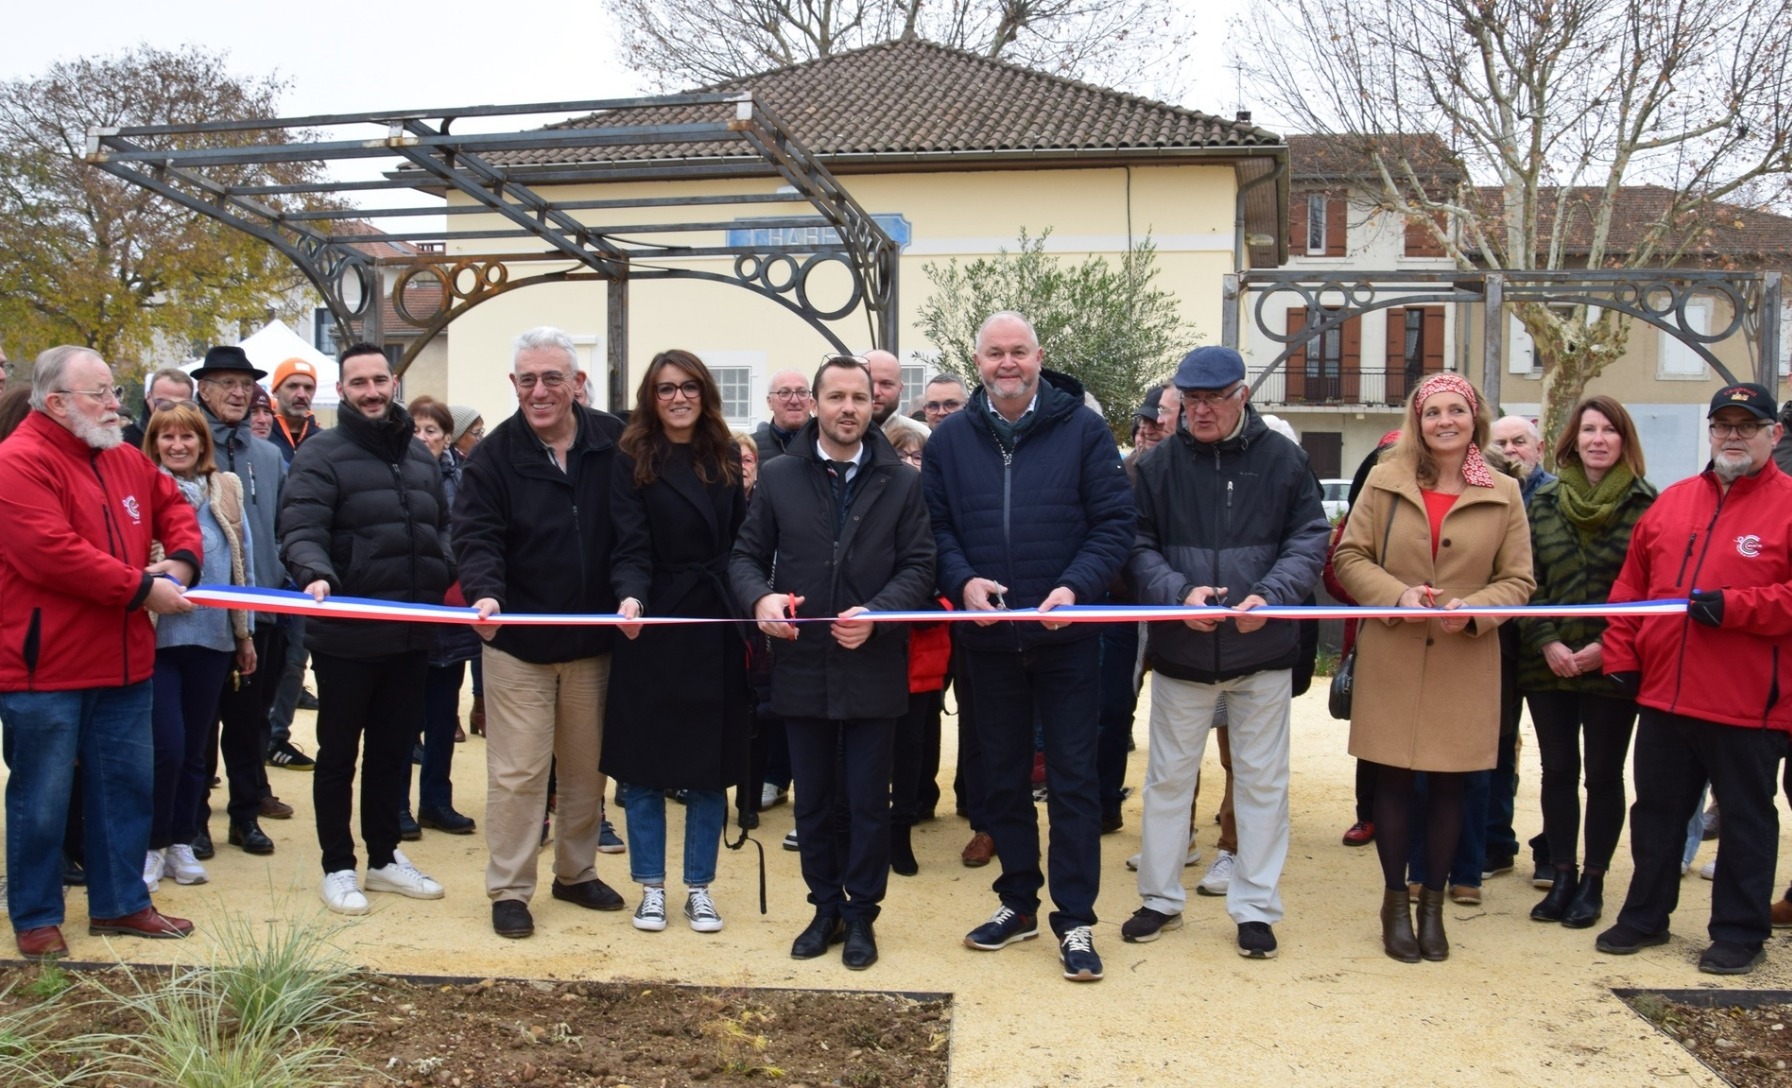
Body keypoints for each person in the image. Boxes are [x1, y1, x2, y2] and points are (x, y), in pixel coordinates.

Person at [922, 310, 1134, 983]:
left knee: (1072, 782)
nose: (1007, 364)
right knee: (1001, 778)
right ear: (977, 360)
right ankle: (1017, 903)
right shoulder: (949, 440)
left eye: (1018, 352)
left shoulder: (1084, 430)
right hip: (988, 640)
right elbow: (936, 529)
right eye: (994, 354)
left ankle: (1075, 921)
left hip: (1067, 638)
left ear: (1039, 357)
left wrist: (1075, 587)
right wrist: (962, 581)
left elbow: (1113, 524)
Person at [1121, 346, 1328, 958]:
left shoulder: (1285, 459)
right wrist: (1178, 594)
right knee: (1168, 782)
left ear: (1242, 395)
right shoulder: (1156, 468)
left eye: (1212, 398)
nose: (1199, 410)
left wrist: (1271, 594)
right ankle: (1159, 898)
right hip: (1184, 652)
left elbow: (1310, 539)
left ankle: (1256, 906)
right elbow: (1136, 544)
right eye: (1190, 399)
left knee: (1263, 783)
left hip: (1260, 652)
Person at [731, 354, 935, 969]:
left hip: (873, 664)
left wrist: (880, 611)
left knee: (869, 800)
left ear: (875, 405)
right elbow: (743, 559)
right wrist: (761, 598)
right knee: (814, 800)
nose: (848, 408)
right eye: (836, 396)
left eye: (859, 397)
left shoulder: (901, 480)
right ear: (815, 404)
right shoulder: (779, 476)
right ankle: (823, 908)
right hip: (803, 664)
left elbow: (921, 566)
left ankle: (863, 915)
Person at [0, 345, 203, 958]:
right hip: (46, 668)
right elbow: (50, 552)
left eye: (117, 391)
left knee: (125, 790)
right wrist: (144, 588)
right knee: (41, 799)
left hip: (125, 662)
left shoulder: (120, 457)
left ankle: (120, 904)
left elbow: (174, 504)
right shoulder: (18, 462)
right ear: (57, 402)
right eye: (102, 393)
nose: (118, 405)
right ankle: (35, 914)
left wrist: (183, 562)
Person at [1333, 373, 1534, 963]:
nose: (1445, 421)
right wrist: (1395, 595)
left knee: (1453, 786)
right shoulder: (1384, 481)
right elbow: (1348, 555)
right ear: (1417, 421)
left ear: (1477, 418)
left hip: (1465, 655)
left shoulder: (1504, 491)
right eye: (1432, 412)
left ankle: (1433, 905)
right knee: (1393, 782)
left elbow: (1519, 580)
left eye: (1457, 410)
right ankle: (1395, 902)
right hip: (1395, 649)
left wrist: (1476, 611)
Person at [1595, 382, 1791, 976]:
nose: (1733, 436)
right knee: (1655, 812)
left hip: (1746, 704)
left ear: (1773, 435)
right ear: (1710, 432)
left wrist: (1736, 607)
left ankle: (1738, 930)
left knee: (1746, 819)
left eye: (1747, 426)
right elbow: (1631, 590)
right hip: (1665, 697)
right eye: (1723, 426)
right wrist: (1621, 657)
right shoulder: (1673, 501)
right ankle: (1645, 916)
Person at [453, 326, 629, 939]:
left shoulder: (615, 441)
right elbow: (475, 537)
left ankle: (576, 873)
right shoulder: (493, 456)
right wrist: (486, 592)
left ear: (577, 383)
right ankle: (510, 887)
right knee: (518, 772)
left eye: (552, 377)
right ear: (514, 385)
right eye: (527, 379)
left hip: (593, 645)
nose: (539, 390)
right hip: (518, 646)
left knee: (586, 769)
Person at [280, 342, 454, 916]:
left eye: (380, 380)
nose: (372, 391)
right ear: (343, 390)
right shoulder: (321, 455)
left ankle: (383, 858)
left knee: (393, 751)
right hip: (347, 634)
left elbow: (446, 529)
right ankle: (338, 865)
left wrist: (449, 571)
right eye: (359, 383)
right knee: (338, 755)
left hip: (410, 632)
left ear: (394, 384)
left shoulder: (422, 459)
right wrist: (316, 572)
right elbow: (301, 527)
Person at [605, 350, 749, 934]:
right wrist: (632, 598)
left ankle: (699, 887)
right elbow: (629, 544)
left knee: (707, 766)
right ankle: (650, 888)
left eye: (689, 386)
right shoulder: (631, 457)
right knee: (643, 767)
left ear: (705, 392)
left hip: (712, 624)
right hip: (652, 624)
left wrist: (754, 601)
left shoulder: (726, 456)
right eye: (666, 389)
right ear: (651, 396)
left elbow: (743, 544)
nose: (678, 397)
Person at [1518, 396, 1656, 929]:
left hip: (1614, 661)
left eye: (1609, 431)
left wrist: (1607, 646)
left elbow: (1650, 590)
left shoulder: (1648, 504)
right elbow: (1526, 579)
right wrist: (1548, 641)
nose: (1598, 439)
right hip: (1547, 663)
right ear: (1571, 440)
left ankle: (1594, 881)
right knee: (1556, 771)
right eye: (1588, 430)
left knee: (1602, 774)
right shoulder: (1543, 503)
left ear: (1625, 441)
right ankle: (1562, 874)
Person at [141, 403, 258, 892]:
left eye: (186, 437)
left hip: (212, 640)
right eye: (167, 437)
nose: (178, 446)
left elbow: (242, 565)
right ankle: (152, 844)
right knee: (163, 748)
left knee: (195, 750)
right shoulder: (139, 489)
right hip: (156, 641)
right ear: (155, 443)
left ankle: (183, 841)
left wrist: (244, 633)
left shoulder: (225, 488)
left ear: (201, 443)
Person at [191, 345, 292, 855]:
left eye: (244, 383)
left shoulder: (270, 456)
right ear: (203, 390)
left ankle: (246, 815)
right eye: (226, 382)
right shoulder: (186, 446)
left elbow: (285, 527)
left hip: (263, 608)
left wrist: (281, 578)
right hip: (203, 613)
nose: (237, 392)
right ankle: (193, 821)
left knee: (251, 718)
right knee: (200, 720)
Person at [406, 396, 479, 833]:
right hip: (407, 611)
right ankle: (396, 805)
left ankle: (436, 800)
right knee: (400, 719)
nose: (423, 437)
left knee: (442, 715)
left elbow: (468, 535)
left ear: (447, 437)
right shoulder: (394, 474)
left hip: (451, 613)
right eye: (415, 429)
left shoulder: (466, 480)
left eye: (431, 430)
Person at [865, 349, 930, 444]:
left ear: (900, 388)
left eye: (886, 384)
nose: (876, 392)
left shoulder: (923, 436)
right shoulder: (837, 433)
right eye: (869, 383)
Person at [121, 367, 195, 449]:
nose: (172, 410)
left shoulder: (200, 438)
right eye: (162, 403)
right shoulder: (124, 441)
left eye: (181, 405)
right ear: (148, 397)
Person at [266, 357, 322, 462]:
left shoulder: (323, 440)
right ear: (275, 391)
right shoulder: (260, 434)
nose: (301, 395)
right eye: (293, 386)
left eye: (308, 388)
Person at [754, 368, 813, 462]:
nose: (794, 400)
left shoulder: (830, 446)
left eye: (802, 393)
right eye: (784, 393)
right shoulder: (749, 449)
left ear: (811, 401)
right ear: (770, 402)